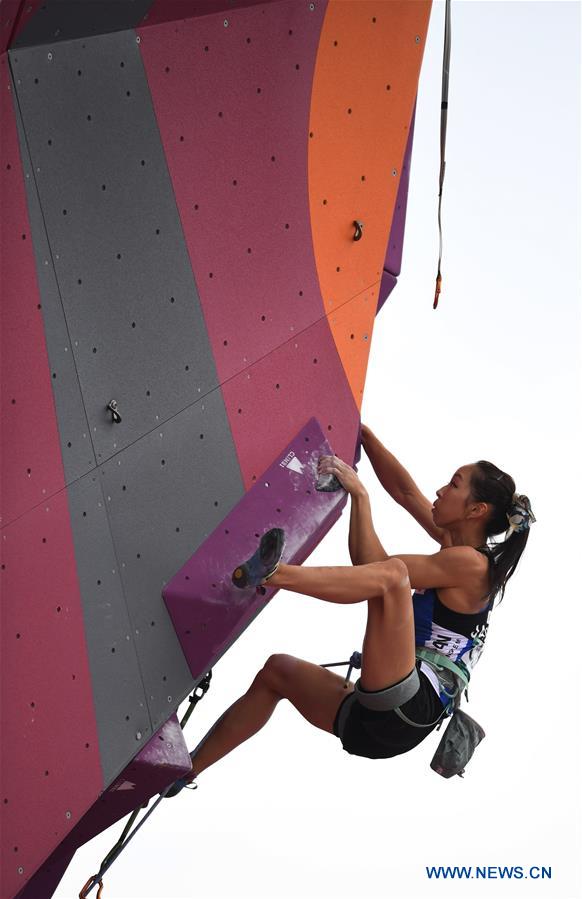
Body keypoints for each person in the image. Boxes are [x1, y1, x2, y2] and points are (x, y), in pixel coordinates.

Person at [168, 423, 534, 793]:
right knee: (277, 672)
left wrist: (361, 495)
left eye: (454, 484)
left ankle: (273, 573)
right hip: (374, 723)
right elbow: (407, 492)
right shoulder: (453, 544)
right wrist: (363, 434)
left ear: (476, 509)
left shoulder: (471, 565)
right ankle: (187, 772)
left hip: (407, 708)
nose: (439, 490)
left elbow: (376, 569)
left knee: (391, 578)